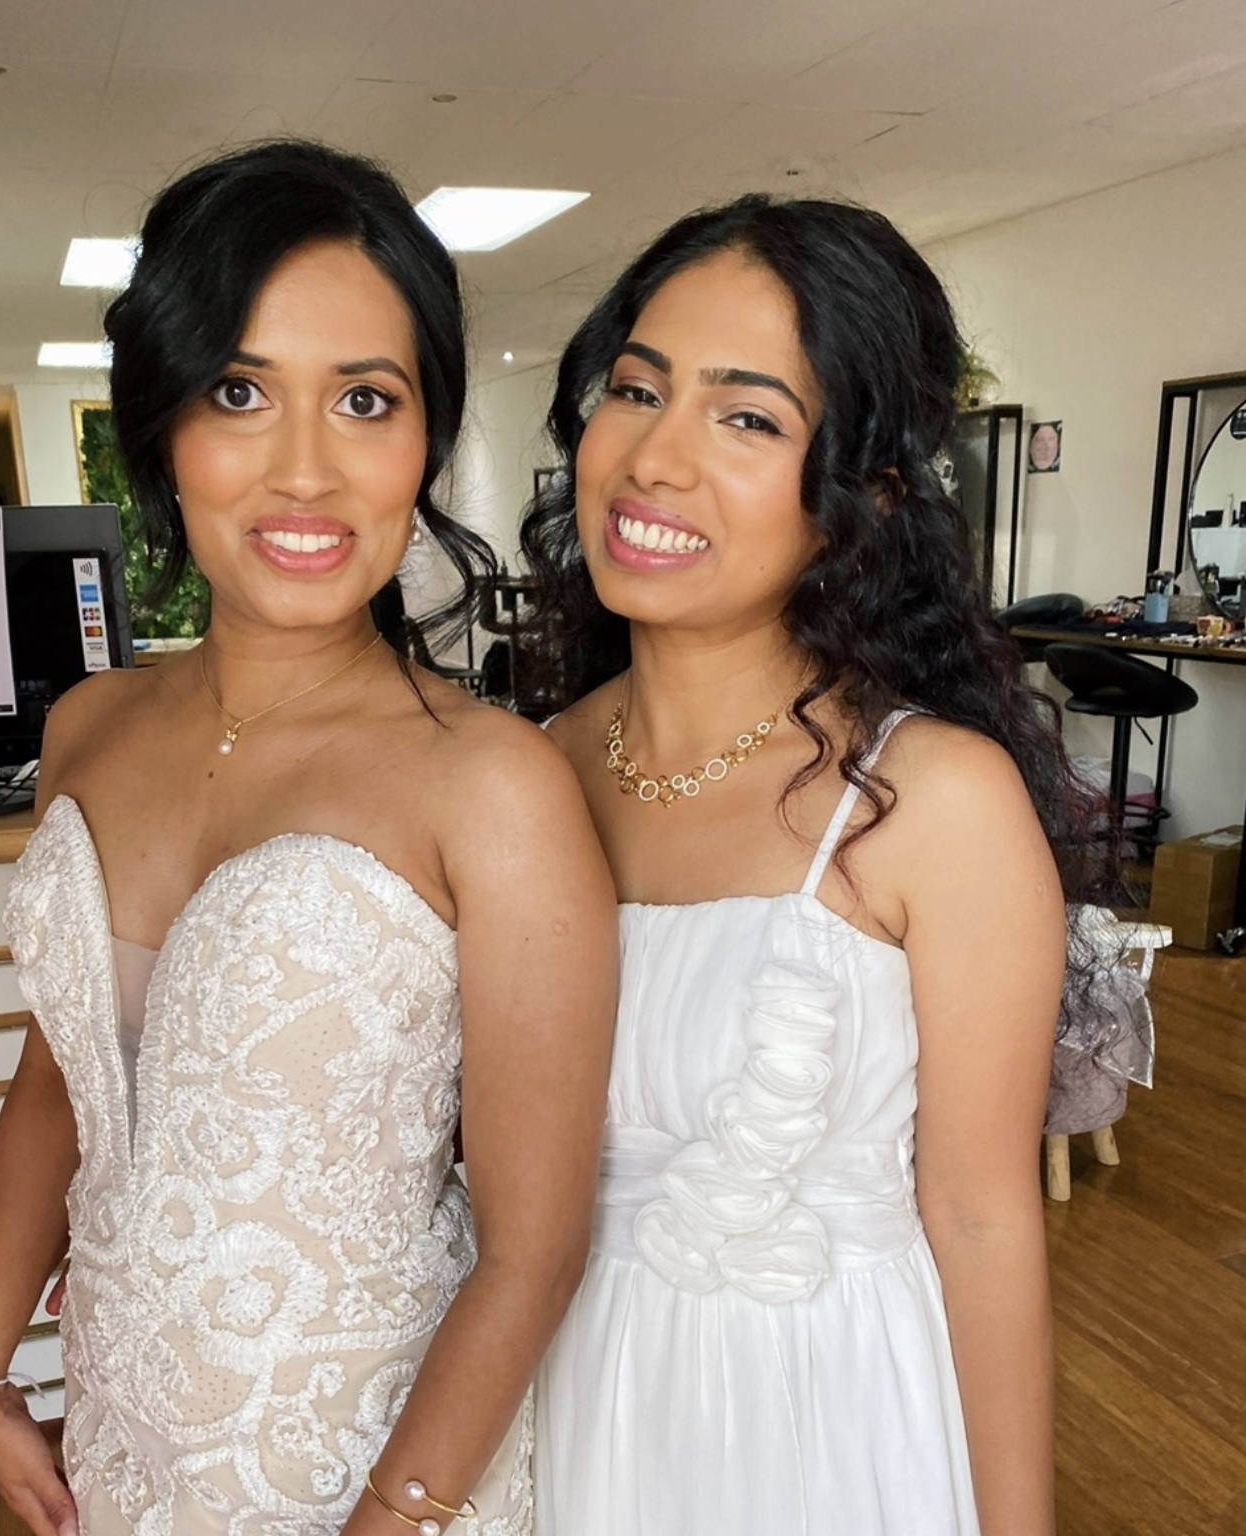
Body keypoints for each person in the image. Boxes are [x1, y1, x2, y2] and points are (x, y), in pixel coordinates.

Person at [0, 139, 617, 1536]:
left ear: (422, 439)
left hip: (375, 1454)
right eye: (240, 393)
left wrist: (390, 1517)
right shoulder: (87, 729)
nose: (306, 472)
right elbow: (63, 1082)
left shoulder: (490, 786)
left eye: (365, 401)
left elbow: (536, 1250)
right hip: (122, 1433)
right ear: (162, 430)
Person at [522, 195, 1080, 1535]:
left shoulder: (932, 801)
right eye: (636, 388)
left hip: (821, 1428)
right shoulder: (525, 776)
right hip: (558, 1407)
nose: (656, 458)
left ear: (868, 491)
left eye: (748, 416)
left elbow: (988, 1223)